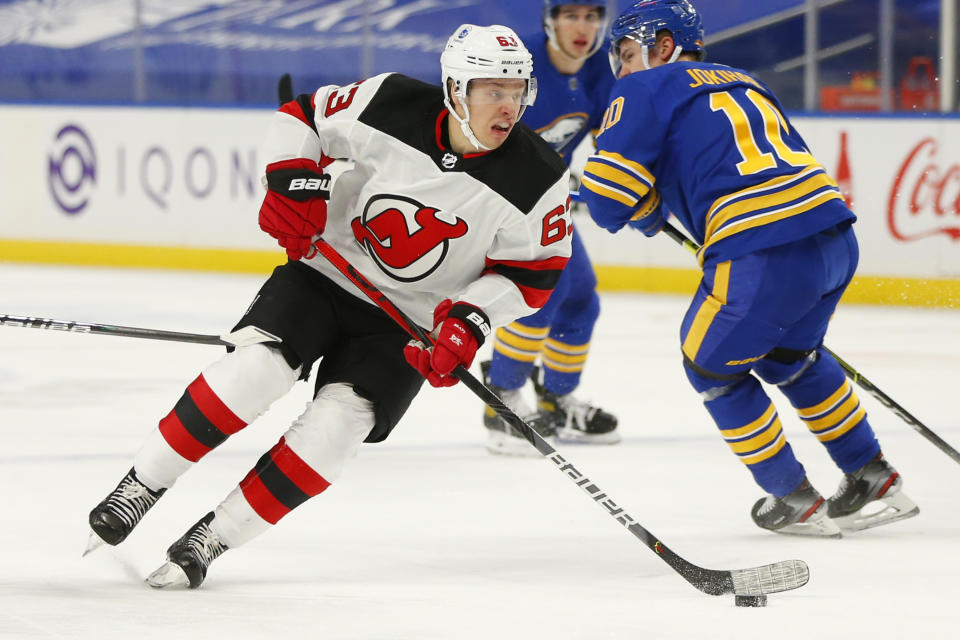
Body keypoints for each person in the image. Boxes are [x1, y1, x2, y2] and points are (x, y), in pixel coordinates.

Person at [85, 24, 572, 589]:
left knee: (339, 426)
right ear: (456, 89)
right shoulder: (391, 101)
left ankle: (214, 535)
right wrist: (290, 177)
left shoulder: (539, 177)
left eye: (518, 92)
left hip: (405, 326)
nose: (509, 107)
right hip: (324, 274)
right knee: (252, 372)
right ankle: (141, 485)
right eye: (494, 90)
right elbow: (304, 116)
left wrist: (472, 319)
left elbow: (531, 276)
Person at [580, 0, 919, 536]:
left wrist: (632, 206)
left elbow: (606, 201)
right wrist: (650, 205)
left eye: (626, 53)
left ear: (663, 46)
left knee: (709, 365)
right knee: (792, 358)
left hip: (760, 251)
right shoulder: (744, 80)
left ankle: (794, 497)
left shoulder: (641, 88)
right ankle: (870, 473)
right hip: (833, 238)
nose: (621, 68)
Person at [482, 0, 620, 456]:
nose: (582, 27)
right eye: (571, 16)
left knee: (580, 297)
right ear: (550, 20)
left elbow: (608, 142)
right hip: (491, 199)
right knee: (539, 296)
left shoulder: (602, 68)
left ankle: (557, 399)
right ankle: (501, 398)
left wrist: (617, 181)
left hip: (543, 202)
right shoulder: (517, 64)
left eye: (590, 16)